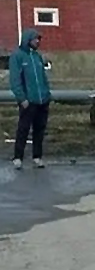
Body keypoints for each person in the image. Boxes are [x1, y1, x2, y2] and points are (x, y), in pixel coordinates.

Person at [9, 29, 51, 169]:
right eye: (35, 39)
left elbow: (43, 77)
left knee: (39, 129)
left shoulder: (37, 57)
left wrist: (47, 94)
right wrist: (22, 98)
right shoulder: (17, 56)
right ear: (28, 40)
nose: (37, 41)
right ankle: (18, 157)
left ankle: (37, 157)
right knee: (23, 129)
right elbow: (15, 80)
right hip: (28, 101)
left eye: (38, 39)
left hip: (42, 100)